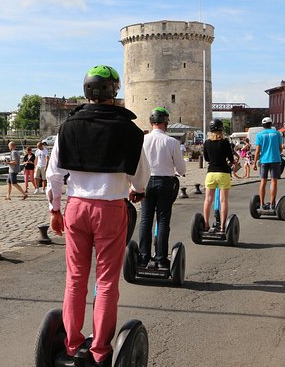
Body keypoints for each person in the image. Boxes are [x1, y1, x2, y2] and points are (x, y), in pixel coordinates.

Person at [46, 65, 150, 367]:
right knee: (106, 283)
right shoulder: (129, 130)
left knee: (75, 278)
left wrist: (55, 209)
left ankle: (72, 344)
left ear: (86, 91)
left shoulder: (67, 127)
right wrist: (138, 191)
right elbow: (139, 176)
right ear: (113, 91)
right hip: (110, 208)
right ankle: (100, 350)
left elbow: (54, 175)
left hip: (76, 207)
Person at [138, 107, 186, 269]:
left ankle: (143, 257)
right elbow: (181, 168)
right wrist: (180, 172)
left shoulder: (142, 140)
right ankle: (160, 258)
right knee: (163, 220)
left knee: (145, 220)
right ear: (166, 123)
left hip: (145, 182)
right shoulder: (172, 142)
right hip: (165, 182)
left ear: (151, 122)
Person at [202, 118, 234, 233]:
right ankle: (222, 227)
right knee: (223, 201)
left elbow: (206, 158)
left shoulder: (206, 143)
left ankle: (206, 225)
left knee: (208, 200)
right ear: (221, 129)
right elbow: (231, 158)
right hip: (223, 173)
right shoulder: (225, 142)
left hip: (210, 173)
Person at [253, 117, 283, 210]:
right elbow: (280, 148)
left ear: (263, 125)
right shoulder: (277, 133)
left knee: (263, 181)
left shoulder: (259, 135)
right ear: (271, 124)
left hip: (264, 161)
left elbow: (257, 151)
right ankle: (272, 204)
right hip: (275, 160)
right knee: (274, 181)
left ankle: (262, 204)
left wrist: (254, 163)